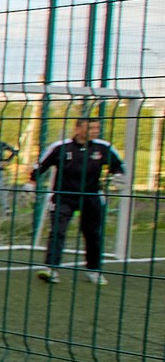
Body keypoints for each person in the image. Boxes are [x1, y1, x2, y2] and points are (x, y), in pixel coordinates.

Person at [32, 117, 124, 285]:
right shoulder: (60, 148)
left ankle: (94, 270)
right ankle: (51, 269)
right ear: (78, 129)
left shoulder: (103, 147)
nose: (95, 131)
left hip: (92, 196)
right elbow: (39, 167)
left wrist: (117, 176)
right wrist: (31, 181)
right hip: (63, 195)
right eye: (91, 128)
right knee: (58, 231)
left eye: (97, 128)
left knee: (93, 234)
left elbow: (118, 166)